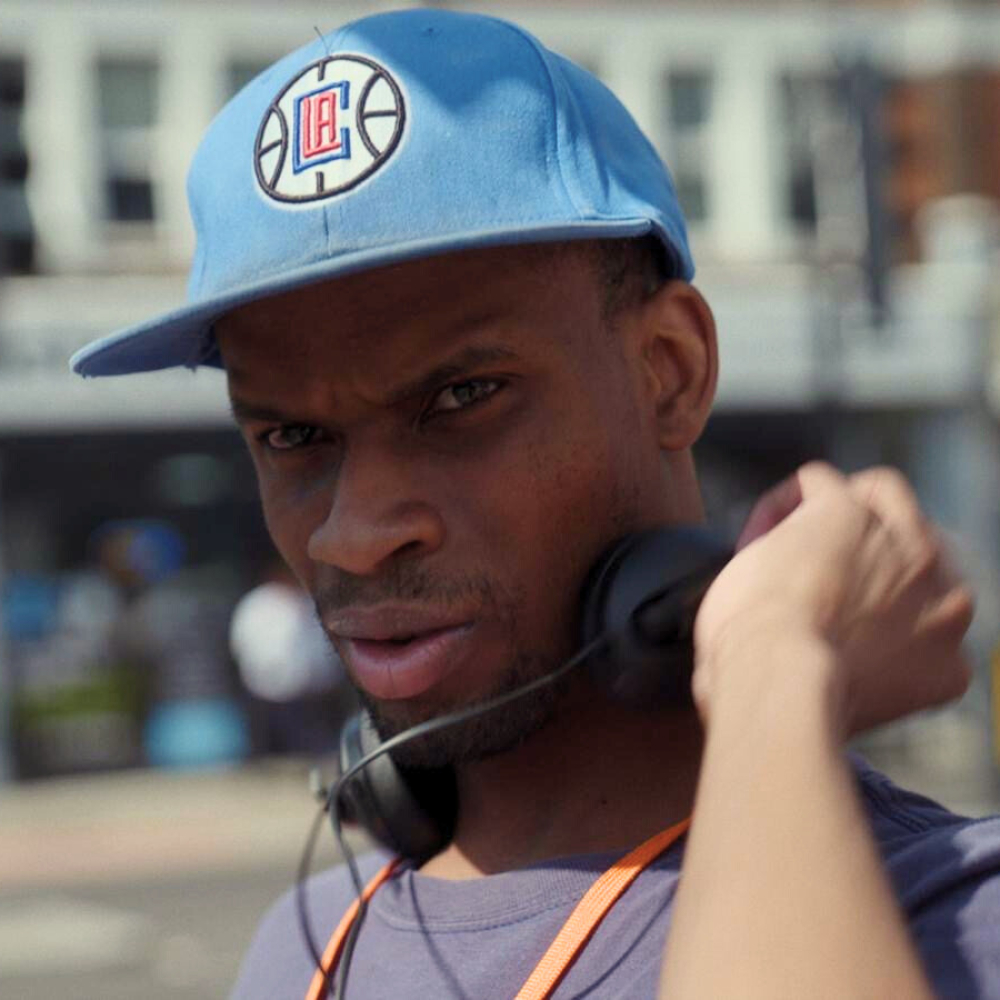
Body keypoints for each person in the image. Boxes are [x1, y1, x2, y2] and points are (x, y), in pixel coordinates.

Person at [71, 8, 1000, 998]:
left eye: (461, 397)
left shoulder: (948, 917)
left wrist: (773, 668)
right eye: (292, 436)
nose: (353, 533)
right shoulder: (304, 948)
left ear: (671, 372)